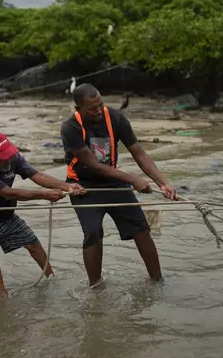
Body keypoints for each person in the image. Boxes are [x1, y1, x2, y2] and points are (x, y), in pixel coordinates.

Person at [60, 83, 178, 287]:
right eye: (92, 109)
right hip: (83, 187)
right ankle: (96, 288)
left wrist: (163, 182)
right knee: (93, 232)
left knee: (141, 228)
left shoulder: (116, 118)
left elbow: (139, 153)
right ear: (79, 108)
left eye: (100, 105)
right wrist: (132, 179)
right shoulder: (71, 128)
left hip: (114, 182)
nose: (98, 111)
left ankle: (158, 282)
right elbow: (94, 165)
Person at [0, 132, 85, 297]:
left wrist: (66, 186)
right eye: (2, 158)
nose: (7, 160)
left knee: (33, 243)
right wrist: (45, 195)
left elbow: (37, 175)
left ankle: (52, 279)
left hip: (3, 212)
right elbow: (8, 193)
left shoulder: (13, 157)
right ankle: (2, 296)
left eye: (8, 155)